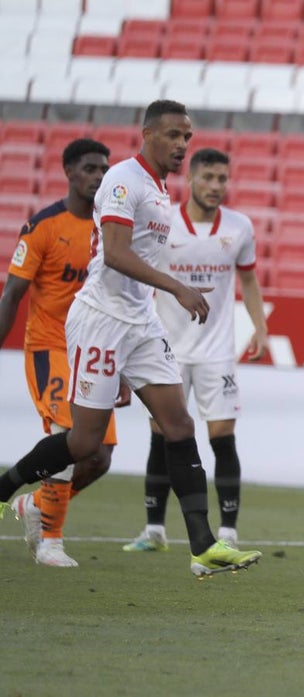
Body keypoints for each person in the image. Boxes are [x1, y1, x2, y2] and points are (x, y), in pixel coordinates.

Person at [0, 99, 262, 578]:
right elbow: (117, 255)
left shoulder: (161, 190)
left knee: (179, 426)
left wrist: (173, 288)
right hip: (101, 318)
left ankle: (203, 545)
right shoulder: (124, 178)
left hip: (141, 324)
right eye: (174, 135)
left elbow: (140, 259)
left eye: (188, 136)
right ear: (148, 135)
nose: (183, 144)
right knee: (84, 444)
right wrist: (178, 287)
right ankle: (4, 490)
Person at [123, 147, 268, 553]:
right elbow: (137, 273)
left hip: (217, 350)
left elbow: (250, 280)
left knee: (222, 435)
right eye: (208, 178)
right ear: (191, 180)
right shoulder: (163, 222)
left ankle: (229, 532)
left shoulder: (239, 227)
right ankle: (154, 530)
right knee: (161, 433)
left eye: (222, 179)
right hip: (165, 349)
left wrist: (260, 326)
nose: (216, 186)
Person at [0, 138, 124, 567]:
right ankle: (50, 540)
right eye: (90, 168)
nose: (99, 176)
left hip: (94, 348)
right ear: (69, 173)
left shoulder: (111, 230)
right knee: (72, 439)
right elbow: (12, 295)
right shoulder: (43, 227)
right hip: (50, 347)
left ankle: (35, 504)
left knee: (100, 457)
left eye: (104, 169)